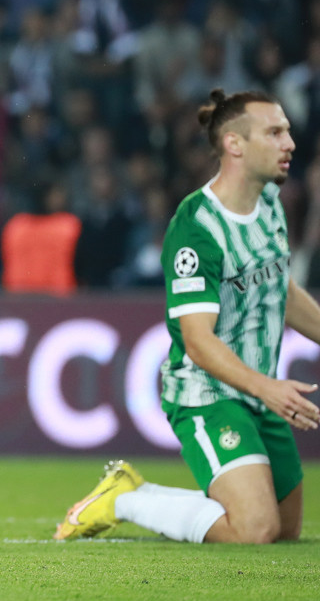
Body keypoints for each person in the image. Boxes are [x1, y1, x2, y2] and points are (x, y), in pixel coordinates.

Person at [54, 89, 320, 544]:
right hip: (208, 395)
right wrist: (270, 389)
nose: (289, 143)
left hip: (258, 392)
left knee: (286, 531)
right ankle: (125, 497)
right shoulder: (195, 227)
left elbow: (284, 290)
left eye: (288, 132)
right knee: (255, 529)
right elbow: (198, 339)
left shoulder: (272, 205)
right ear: (235, 144)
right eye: (275, 132)